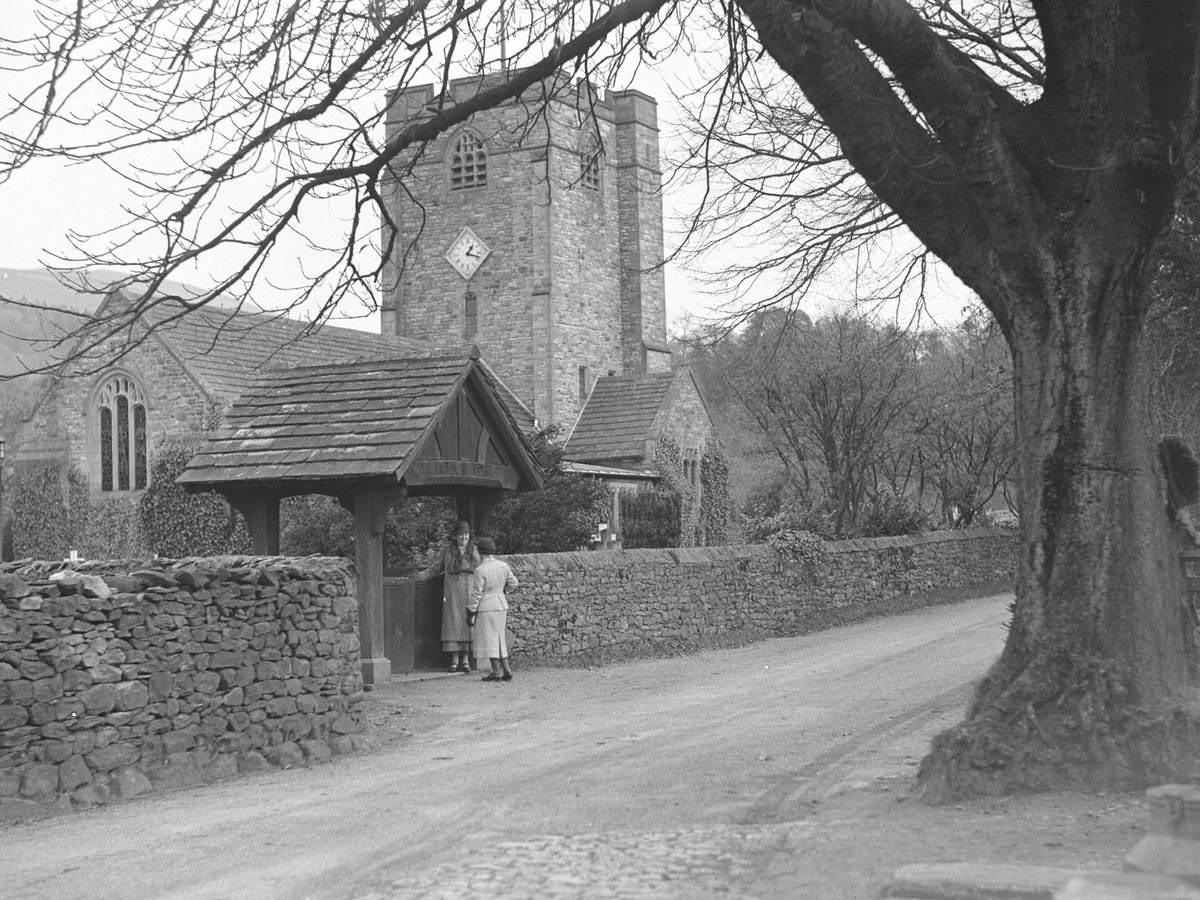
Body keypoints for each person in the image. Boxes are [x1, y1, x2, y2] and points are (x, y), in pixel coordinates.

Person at [417, 520, 480, 673]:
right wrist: (422, 576)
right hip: (452, 592)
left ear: (468, 536)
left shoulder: (474, 550)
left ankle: (465, 661)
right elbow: (437, 567)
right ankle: (454, 660)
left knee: (467, 623)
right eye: (460, 535)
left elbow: (480, 568)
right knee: (453, 623)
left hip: (469, 590)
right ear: (456, 536)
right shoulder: (448, 550)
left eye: (465, 535)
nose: (463, 538)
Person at [467, 536, 517, 682]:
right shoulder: (503, 566)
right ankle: (507, 670)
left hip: (487, 607)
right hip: (501, 605)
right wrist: (502, 591)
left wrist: (470, 611)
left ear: (481, 552)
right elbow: (513, 583)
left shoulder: (480, 570)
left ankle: (496, 671)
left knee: (490, 639)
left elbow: (476, 594)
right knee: (500, 637)